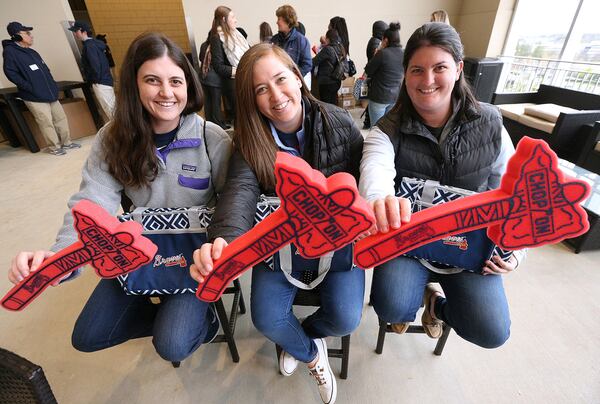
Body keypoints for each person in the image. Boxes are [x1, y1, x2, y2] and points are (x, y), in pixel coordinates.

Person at [7, 32, 233, 363]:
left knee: (172, 344)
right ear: (133, 84)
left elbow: (232, 202)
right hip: (136, 254)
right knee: (89, 335)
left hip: (192, 260)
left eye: (176, 81)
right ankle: (161, 310)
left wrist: (223, 249)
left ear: (189, 85)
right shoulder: (112, 138)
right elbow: (91, 201)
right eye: (152, 80)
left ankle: (201, 320)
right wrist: (57, 257)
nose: (167, 92)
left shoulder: (210, 137)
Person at [190, 43, 364, 404]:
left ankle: (302, 337)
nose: (275, 95)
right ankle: (309, 353)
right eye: (260, 89)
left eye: (280, 79)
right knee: (267, 319)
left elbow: (363, 184)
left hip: (336, 246)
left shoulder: (340, 122)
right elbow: (239, 193)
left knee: (346, 317)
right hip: (281, 248)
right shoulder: (250, 142)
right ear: (251, 100)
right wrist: (225, 240)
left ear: (298, 79)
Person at [360, 22, 524, 348]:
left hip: (471, 246)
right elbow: (374, 175)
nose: (428, 80)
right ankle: (414, 299)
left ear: (459, 69)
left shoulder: (491, 124)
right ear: (405, 74)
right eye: (417, 70)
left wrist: (516, 250)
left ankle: (437, 307)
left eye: (440, 68)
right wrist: (378, 201)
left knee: (492, 332)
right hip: (410, 246)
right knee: (392, 306)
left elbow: (515, 192)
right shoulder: (386, 130)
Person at [2, 21, 79, 155]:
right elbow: (11, 73)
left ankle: (67, 143)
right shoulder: (10, 52)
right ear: (17, 36)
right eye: (27, 33)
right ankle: (55, 148)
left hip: (50, 92)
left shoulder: (32, 52)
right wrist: (29, 87)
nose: (31, 36)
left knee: (60, 118)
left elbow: (45, 70)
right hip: (34, 96)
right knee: (46, 122)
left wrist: (53, 85)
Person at [209, 6, 250, 125]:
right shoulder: (217, 38)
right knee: (242, 118)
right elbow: (218, 66)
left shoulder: (237, 35)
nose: (235, 20)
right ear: (224, 19)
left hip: (246, 78)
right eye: (232, 17)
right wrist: (240, 70)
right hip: (233, 84)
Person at [68, 20, 115, 120]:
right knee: (112, 108)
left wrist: (94, 80)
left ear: (83, 31)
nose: (75, 34)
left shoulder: (89, 46)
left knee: (111, 110)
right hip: (105, 80)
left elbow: (95, 66)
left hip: (100, 82)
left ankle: (124, 133)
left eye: (76, 31)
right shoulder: (95, 44)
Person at [364, 22, 404, 127]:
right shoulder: (404, 53)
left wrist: (377, 52)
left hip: (379, 97)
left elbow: (368, 70)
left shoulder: (382, 53)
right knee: (388, 129)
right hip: (395, 97)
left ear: (386, 40)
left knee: (376, 129)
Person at [271, 5, 312, 86]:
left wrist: (294, 77)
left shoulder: (302, 41)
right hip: (276, 83)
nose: (277, 22)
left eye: (279, 19)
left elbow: (307, 64)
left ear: (288, 20)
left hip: (293, 84)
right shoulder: (274, 40)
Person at [199, 31, 228, 129]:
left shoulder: (203, 45)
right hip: (214, 79)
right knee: (216, 102)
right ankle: (218, 124)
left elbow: (200, 58)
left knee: (207, 101)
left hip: (203, 76)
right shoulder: (216, 46)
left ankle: (209, 123)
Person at [363, 20, 389, 128]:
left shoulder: (374, 40)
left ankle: (367, 122)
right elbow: (375, 60)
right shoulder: (376, 42)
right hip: (375, 77)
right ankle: (367, 122)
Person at [312, 29, 345, 105]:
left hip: (327, 82)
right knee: (334, 102)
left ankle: (327, 117)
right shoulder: (341, 47)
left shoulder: (327, 49)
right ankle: (334, 116)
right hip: (337, 80)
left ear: (328, 39)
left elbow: (314, 61)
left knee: (326, 105)